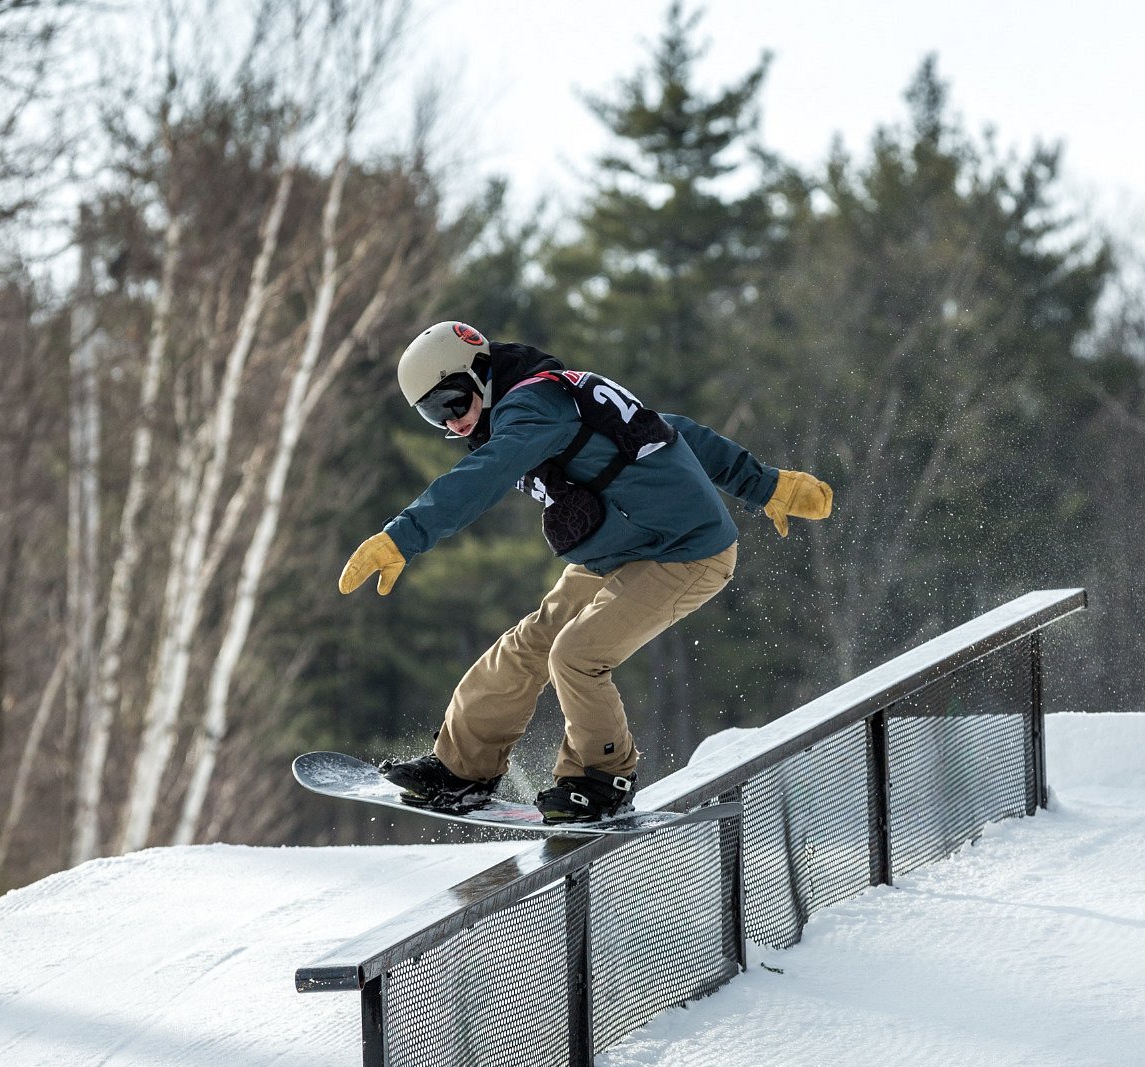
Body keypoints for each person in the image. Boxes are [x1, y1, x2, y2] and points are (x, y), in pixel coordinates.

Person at [338, 321, 833, 823]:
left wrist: (403, 535)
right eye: (433, 415)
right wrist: (764, 486)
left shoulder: (532, 408)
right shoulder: (552, 396)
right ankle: (462, 769)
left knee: (576, 655)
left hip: (685, 552)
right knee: (526, 647)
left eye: (453, 401)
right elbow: (670, 429)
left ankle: (603, 779)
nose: (454, 423)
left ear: (482, 373)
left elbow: (483, 475)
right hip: (622, 549)